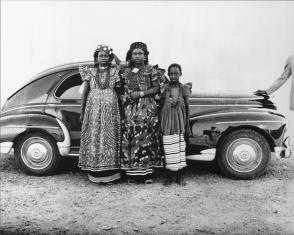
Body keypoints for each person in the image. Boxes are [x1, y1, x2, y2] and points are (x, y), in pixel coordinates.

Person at [78, 44, 122, 184]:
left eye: (106, 56)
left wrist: (113, 53)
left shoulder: (115, 71)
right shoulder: (89, 71)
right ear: (96, 58)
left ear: (109, 58)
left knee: (110, 136)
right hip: (94, 109)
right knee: (95, 136)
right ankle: (95, 174)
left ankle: (110, 175)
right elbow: (85, 92)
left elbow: (123, 66)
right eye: (100, 55)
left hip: (111, 109)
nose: (103, 58)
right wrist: (82, 110)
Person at [120, 42, 162, 184]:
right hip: (130, 110)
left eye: (140, 53)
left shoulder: (151, 70)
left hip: (146, 108)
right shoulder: (126, 72)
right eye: (135, 53)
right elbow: (123, 90)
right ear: (131, 55)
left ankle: (147, 174)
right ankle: (132, 174)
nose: (137, 56)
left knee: (146, 138)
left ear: (145, 55)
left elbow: (156, 88)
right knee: (131, 138)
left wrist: (141, 93)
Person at [160, 63, 191, 186]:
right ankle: (169, 177)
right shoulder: (164, 89)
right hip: (167, 122)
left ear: (180, 74)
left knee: (180, 148)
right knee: (168, 148)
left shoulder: (184, 89)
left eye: (176, 73)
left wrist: (187, 125)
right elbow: (161, 106)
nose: (173, 76)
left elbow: (188, 107)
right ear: (168, 74)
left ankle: (180, 177)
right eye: (171, 73)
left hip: (180, 123)